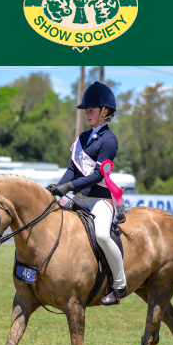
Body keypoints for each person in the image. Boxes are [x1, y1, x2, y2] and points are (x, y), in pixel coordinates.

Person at [48, 81, 127, 305]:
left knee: (102, 235)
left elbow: (98, 175)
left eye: (91, 110)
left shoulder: (109, 140)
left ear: (105, 112)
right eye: (86, 110)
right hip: (80, 199)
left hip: (100, 200)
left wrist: (70, 187)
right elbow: (72, 170)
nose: (87, 114)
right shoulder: (82, 138)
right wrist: (56, 189)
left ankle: (119, 285)